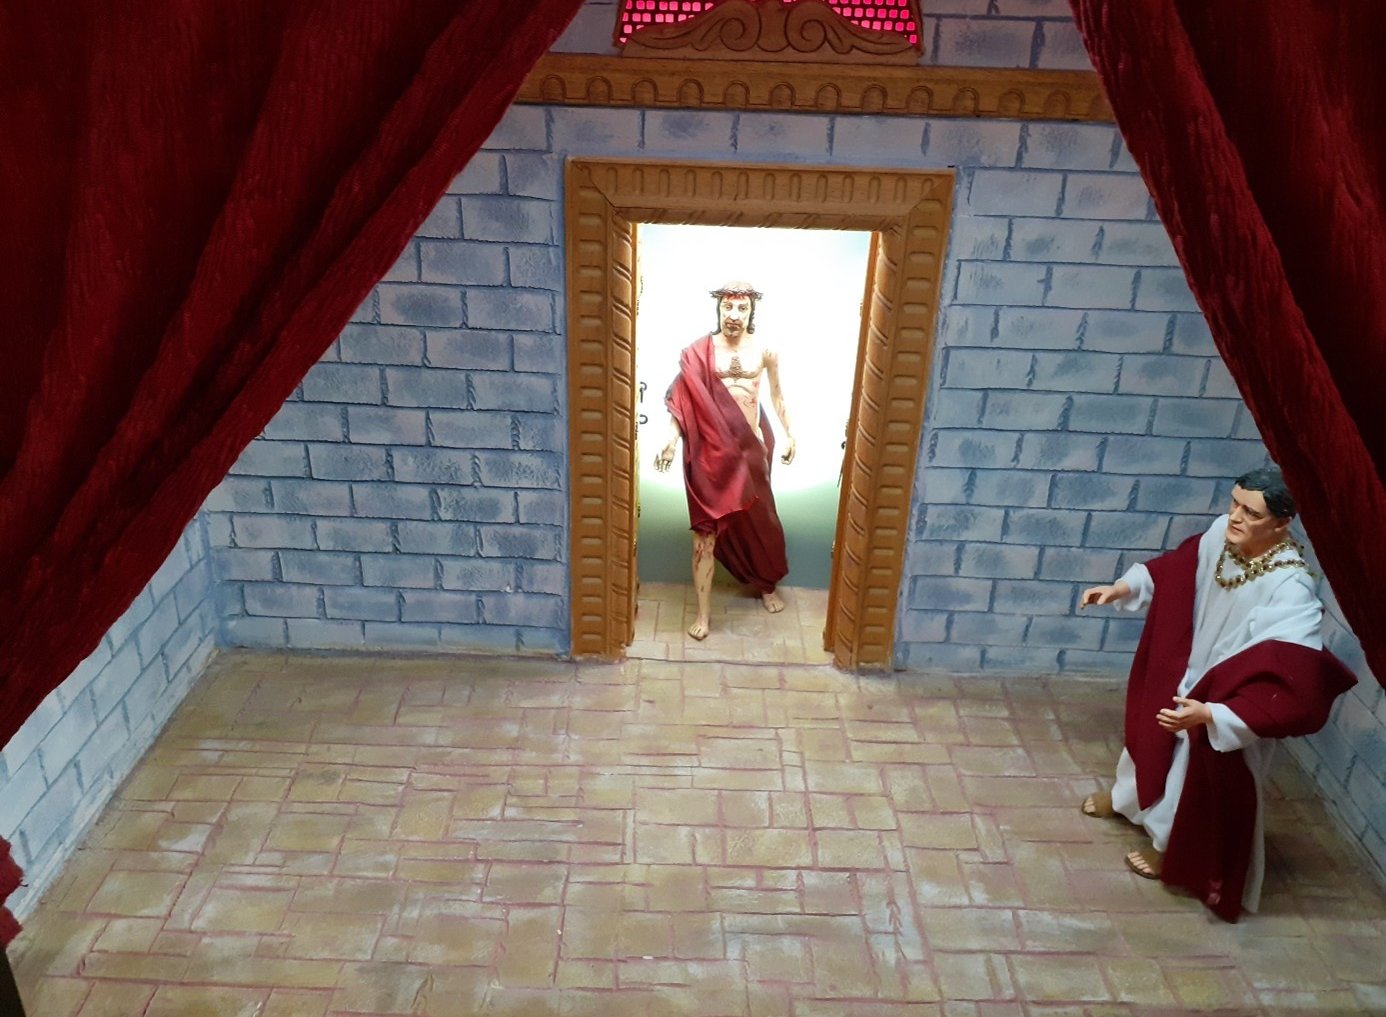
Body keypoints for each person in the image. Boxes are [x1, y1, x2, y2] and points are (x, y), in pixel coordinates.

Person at [1079, 465, 1354, 921]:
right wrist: (1123, 587)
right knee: (1148, 743)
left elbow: (1293, 675)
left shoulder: (1290, 587)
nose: (1236, 517)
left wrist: (1215, 714)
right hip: (1186, 669)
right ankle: (1128, 801)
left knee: (1191, 778)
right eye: (1235, 503)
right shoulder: (1219, 537)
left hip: (1222, 697)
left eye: (1252, 512)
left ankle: (1171, 846)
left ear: (1282, 523)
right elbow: (1176, 570)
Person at [654, 281, 796, 641]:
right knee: (705, 535)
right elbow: (681, 402)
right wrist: (670, 440)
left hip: (751, 452)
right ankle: (703, 614)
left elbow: (777, 396)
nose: (734, 315)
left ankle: (765, 583)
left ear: (751, 312)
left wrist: (790, 434)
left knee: (761, 522)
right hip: (711, 456)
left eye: (741, 308)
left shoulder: (765, 351)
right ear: (718, 309)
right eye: (728, 307)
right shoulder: (698, 353)